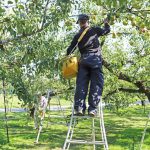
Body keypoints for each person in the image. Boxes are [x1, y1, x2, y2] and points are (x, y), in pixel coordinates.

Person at [66, 14, 110, 116]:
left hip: (83, 62)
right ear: (88, 21)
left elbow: (69, 50)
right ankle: (92, 109)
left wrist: (68, 57)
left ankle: (79, 108)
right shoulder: (94, 30)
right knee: (96, 84)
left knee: (81, 85)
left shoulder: (77, 36)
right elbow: (106, 31)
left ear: (79, 23)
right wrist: (106, 24)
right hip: (95, 60)